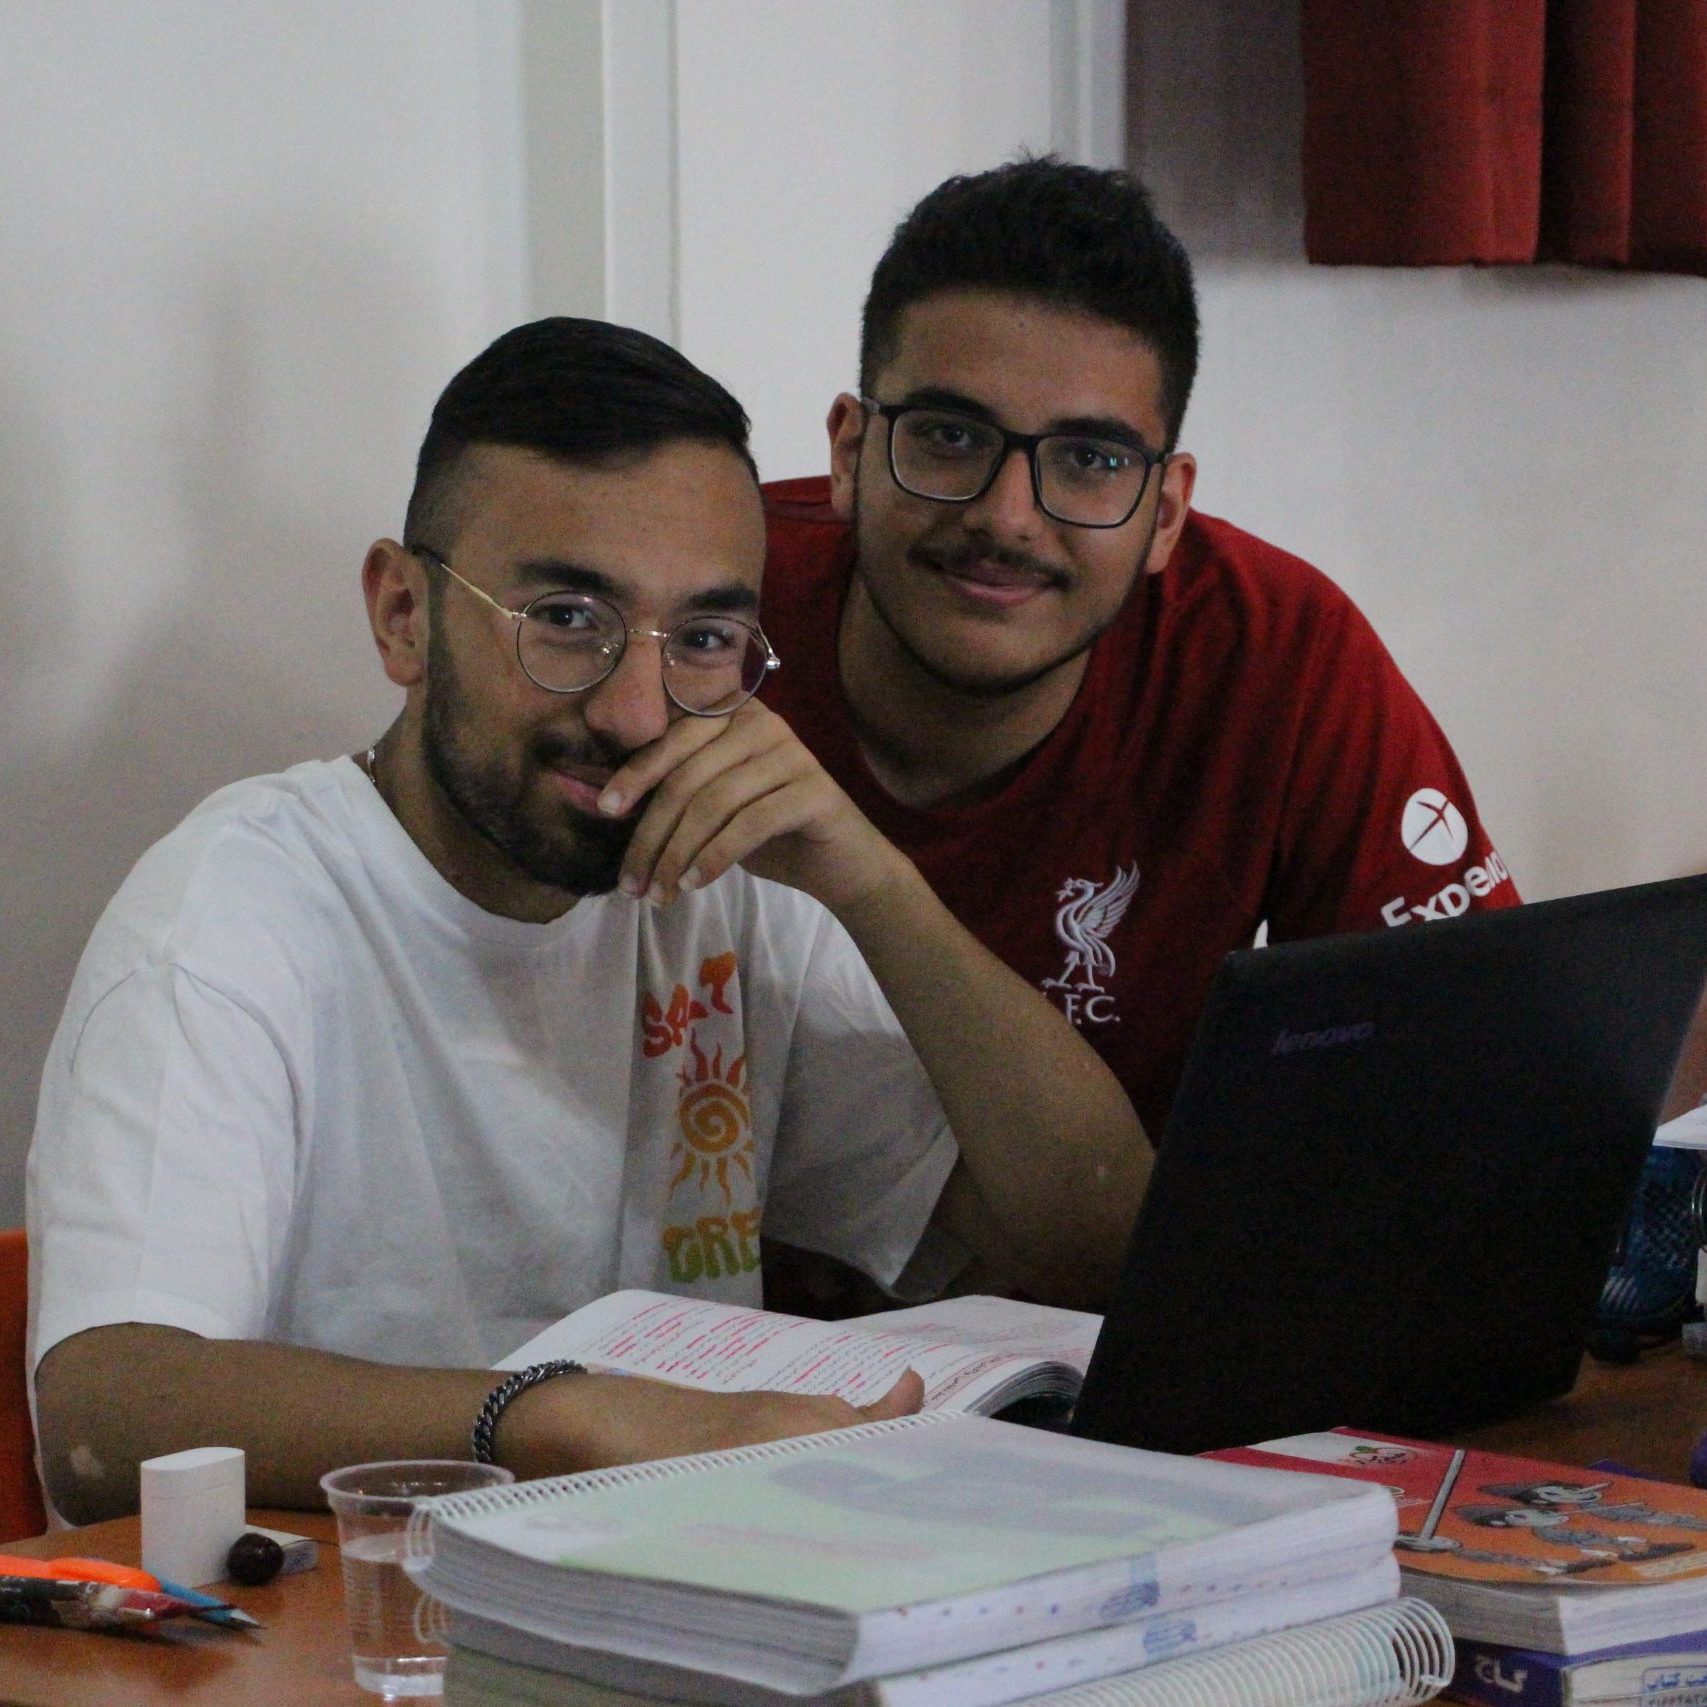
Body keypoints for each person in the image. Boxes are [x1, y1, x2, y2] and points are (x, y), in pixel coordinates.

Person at [27, 317, 1142, 1524]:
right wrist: (556, 1416)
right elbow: (102, 1414)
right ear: (404, 614)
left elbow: (1093, 1245)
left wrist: (874, 885)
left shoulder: (731, 887)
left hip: (681, 1584)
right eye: (566, 618)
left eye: (703, 640)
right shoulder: (235, 913)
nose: (635, 710)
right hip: (353, 1613)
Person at [761, 158, 1519, 1143]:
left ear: (1165, 514)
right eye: (949, 437)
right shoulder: (701, 608)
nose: (1006, 516)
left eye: (1089, 459)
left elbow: (1471, 1074)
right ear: (850, 454)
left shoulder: (1276, 653)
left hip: (1112, 1244)